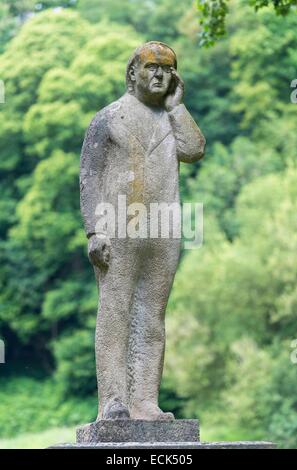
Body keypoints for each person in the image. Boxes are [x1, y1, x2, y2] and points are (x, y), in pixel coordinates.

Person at [80, 41, 205, 420]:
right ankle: (113, 402)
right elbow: (89, 176)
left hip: (163, 230)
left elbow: (195, 148)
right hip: (117, 226)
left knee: (152, 315)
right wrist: (94, 232)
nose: (159, 75)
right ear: (133, 72)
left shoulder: (171, 118)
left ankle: (145, 400)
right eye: (152, 67)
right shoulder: (109, 117)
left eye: (167, 69)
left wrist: (176, 106)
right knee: (115, 312)